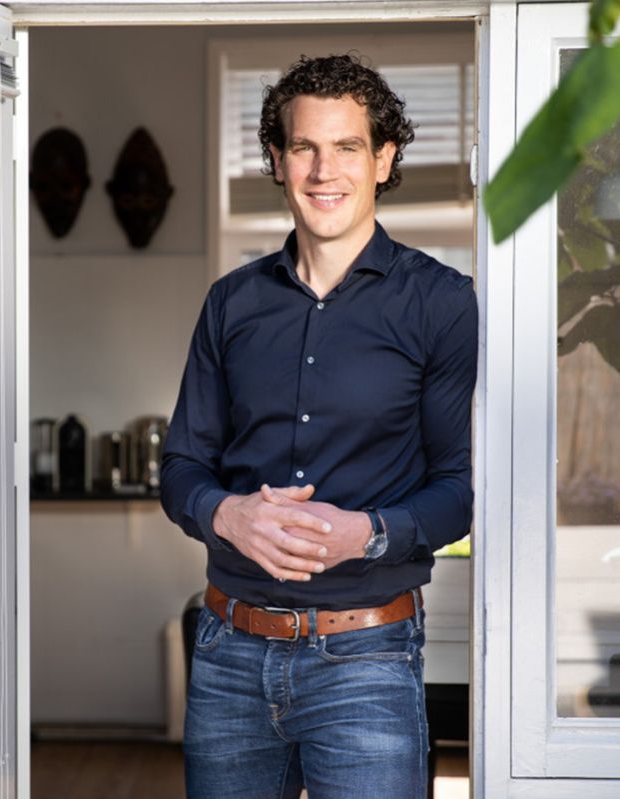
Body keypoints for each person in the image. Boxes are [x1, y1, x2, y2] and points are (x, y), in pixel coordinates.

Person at [160, 53, 478, 799]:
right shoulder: (231, 303)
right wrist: (228, 515)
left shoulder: (441, 302)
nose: (323, 170)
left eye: (347, 147)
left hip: (368, 657)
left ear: (384, 159)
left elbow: (459, 490)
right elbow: (180, 468)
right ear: (277, 160)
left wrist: (365, 533)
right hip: (229, 654)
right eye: (303, 147)